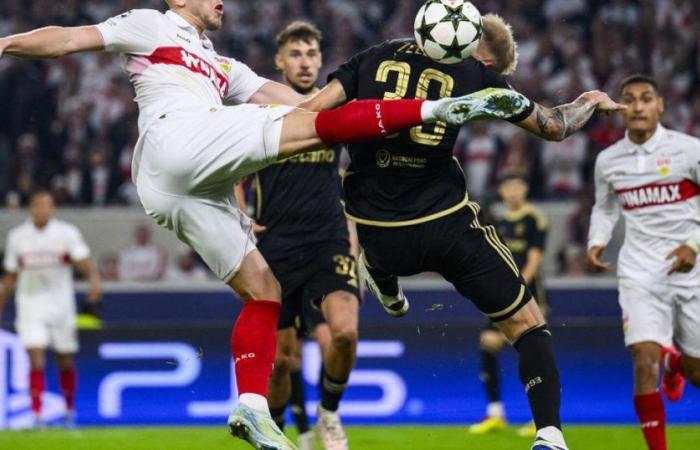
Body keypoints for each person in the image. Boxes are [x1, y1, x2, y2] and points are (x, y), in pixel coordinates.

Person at [0, 2, 536, 449]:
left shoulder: (224, 67)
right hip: (176, 139)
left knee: (263, 290)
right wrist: (5, 44)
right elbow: (70, 39)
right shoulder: (150, 23)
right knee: (319, 131)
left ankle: (252, 407)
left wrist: (358, 102)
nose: (224, 2)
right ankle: (441, 109)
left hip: (176, 188)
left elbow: (305, 104)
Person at [301, 12, 624, 450]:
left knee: (379, 236)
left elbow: (309, 113)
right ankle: (549, 435)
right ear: (475, 46)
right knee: (528, 324)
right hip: (446, 224)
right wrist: (587, 100)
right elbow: (554, 126)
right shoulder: (475, 75)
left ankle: (380, 269)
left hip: (377, 227)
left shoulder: (373, 57)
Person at [248, 21, 361, 450]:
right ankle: (275, 436)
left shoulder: (333, 109)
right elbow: (225, 167)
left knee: (345, 334)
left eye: (312, 54)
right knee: (279, 363)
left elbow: (354, 170)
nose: (305, 61)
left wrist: (354, 231)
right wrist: (239, 214)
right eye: (295, 54)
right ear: (279, 62)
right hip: (276, 244)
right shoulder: (260, 112)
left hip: (328, 238)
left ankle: (328, 414)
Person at [587, 74, 700, 450]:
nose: (638, 106)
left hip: (692, 270)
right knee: (643, 358)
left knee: (696, 370)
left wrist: (693, 245)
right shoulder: (608, 160)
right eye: (630, 99)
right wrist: (597, 241)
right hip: (639, 271)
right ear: (621, 108)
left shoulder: (689, 151)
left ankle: (676, 365)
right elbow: (604, 207)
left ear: (660, 105)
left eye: (646, 98)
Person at [0, 191, 102, 428]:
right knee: (35, 358)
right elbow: (10, 276)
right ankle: (37, 415)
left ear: (53, 209)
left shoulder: (66, 233)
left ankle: (68, 411)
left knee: (65, 359)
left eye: (46, 205)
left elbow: (82, 260)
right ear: (30, 209)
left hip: (61, 305)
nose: (42, 210)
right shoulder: (18, 237)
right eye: (38, 205)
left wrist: (94, 281)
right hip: (30, 303)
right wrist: (2, 303)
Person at [469, 172, 548, 438]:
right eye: (507, 186)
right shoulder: (499, 221)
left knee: (531, 352)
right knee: (488, 344)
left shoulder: (534, 217)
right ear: (501, 191)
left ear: (525, 188)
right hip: (502, 295)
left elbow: (535, 259)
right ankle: (495, 413)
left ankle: (542, 419)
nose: (512, 191)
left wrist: (517, 287)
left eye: (517, 185)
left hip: (527, 295)